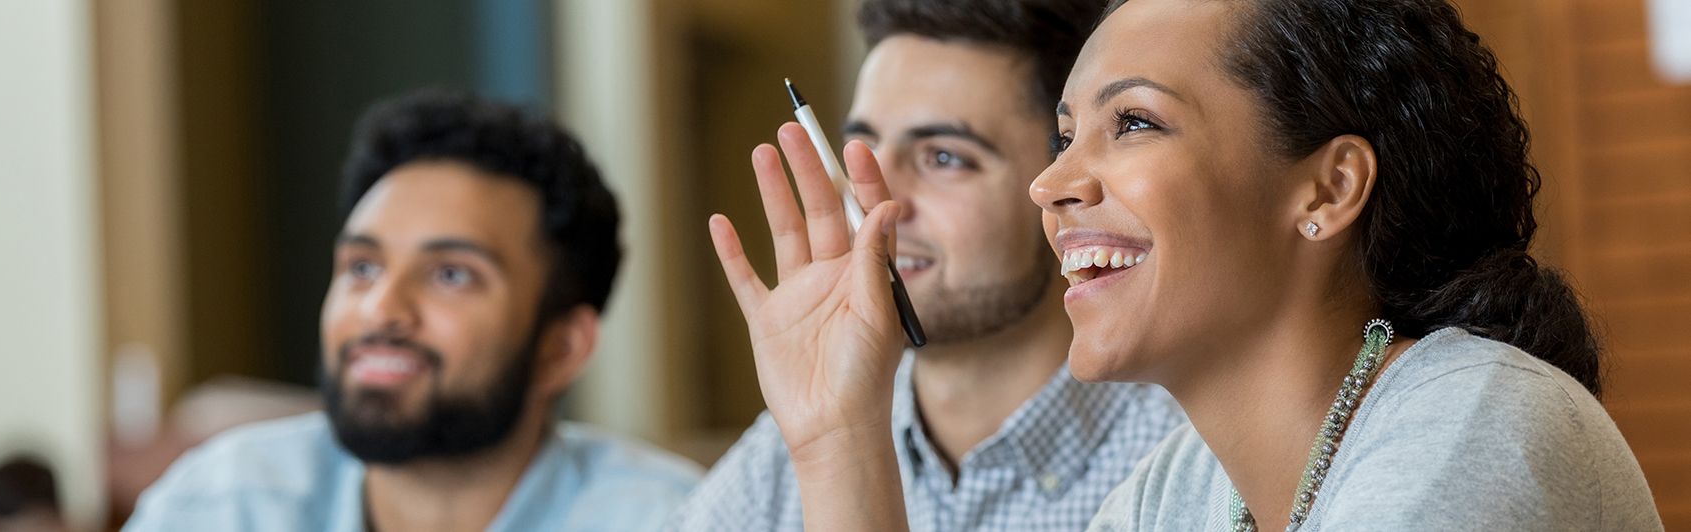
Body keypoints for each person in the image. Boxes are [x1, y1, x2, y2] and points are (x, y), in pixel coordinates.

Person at [706, 0, 1665, 530]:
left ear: (1327, 189)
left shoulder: (1475, 426)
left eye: (1133, 122)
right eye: (1063, 134)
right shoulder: (1185, 491)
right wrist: (840, 438)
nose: (1052, 184)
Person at [673, 0, 1183, 530]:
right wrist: (837, 441)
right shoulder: (795, 444)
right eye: (861, 148)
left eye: (944, 157)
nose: (876, 202)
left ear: (1061, 183)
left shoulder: (1180, 467)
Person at [128, 90, 702, 531]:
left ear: (562, 347)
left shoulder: (672, 520)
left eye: (451, 274)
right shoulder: (227, 504)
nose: (382, 308)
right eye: (362, 267)